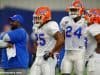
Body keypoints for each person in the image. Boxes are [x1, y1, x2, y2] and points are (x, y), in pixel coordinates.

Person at [30, 6, 64, 75]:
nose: (36, 20)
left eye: (38, 18)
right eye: (35, 18)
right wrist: (35, 52)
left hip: (48, 58)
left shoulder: (51, 25)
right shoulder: (36, 27)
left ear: (45, 17)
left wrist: (52, 52)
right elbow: (38, 42)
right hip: (38, 57)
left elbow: (61, 40)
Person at [60, 0, 87, 75]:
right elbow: (62, 37)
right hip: (68, 52)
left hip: (80, 53)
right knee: (64, 73)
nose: (73, 12)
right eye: (72, 10)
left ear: (80, 10)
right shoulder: (65, 20)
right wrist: (57, 50)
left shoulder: (86, 21)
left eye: (75, 10)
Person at [84, 8, 100, 75]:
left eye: (89, 15)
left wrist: (97, 50)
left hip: (95, 59)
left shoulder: (94, 26)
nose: (86, 17)